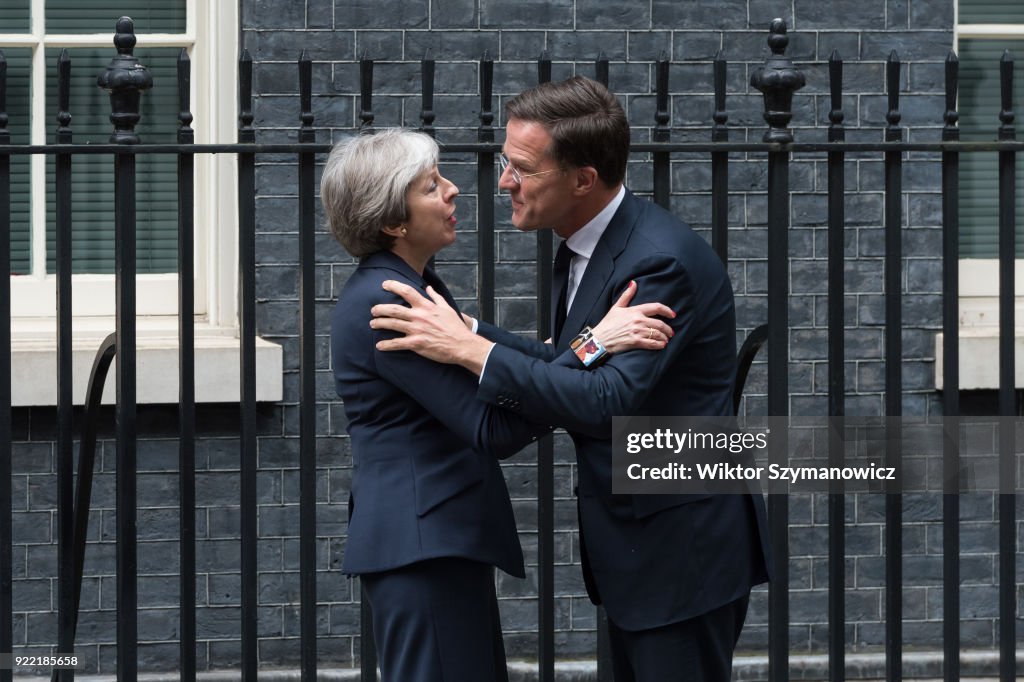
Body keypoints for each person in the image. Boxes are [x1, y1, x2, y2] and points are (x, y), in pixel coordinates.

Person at [369, 78, 772, 681]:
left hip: (680, 555)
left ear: (583, 180)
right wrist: (469, 328)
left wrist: (472, 352)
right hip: (638, 553)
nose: (503, 180)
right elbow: (572, 355)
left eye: (522, 168)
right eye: (506, 160)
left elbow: (604, 399)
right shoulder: (587, 241)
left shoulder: (658, 264)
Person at [322, 128, 675, 682]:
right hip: (422, 547)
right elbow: (493, 426)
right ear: (393, 221)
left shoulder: (414, 286)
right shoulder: (391, 302)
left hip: (435, 541)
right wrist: (594, 345)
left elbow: (499, 365)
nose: (453, 190)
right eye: (430, 185)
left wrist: (537, 344)